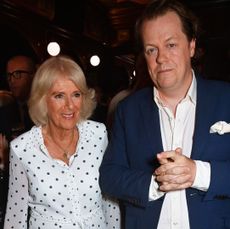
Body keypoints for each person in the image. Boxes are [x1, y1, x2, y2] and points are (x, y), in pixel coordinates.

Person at [99, 0, 230, 229]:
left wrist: (198, 173)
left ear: (191, 46)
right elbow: (109, 176)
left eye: (170, 45)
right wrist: (153, 183)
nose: (160, 58)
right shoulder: (127, 110)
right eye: (152, 49)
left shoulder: (226, 98)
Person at [4, 55, 120, 229]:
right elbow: (15, 217)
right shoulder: (22, 149)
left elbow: (109, 199)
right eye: (59, 96)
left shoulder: (98, 134)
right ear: (43, 99)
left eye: (76, 94)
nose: (70, 105)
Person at [6, 55, 36, 138]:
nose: (12, 80)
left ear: (32, 75)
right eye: (9, 75)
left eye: (17, 74)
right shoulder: (4, 113)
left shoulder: (47, 108)